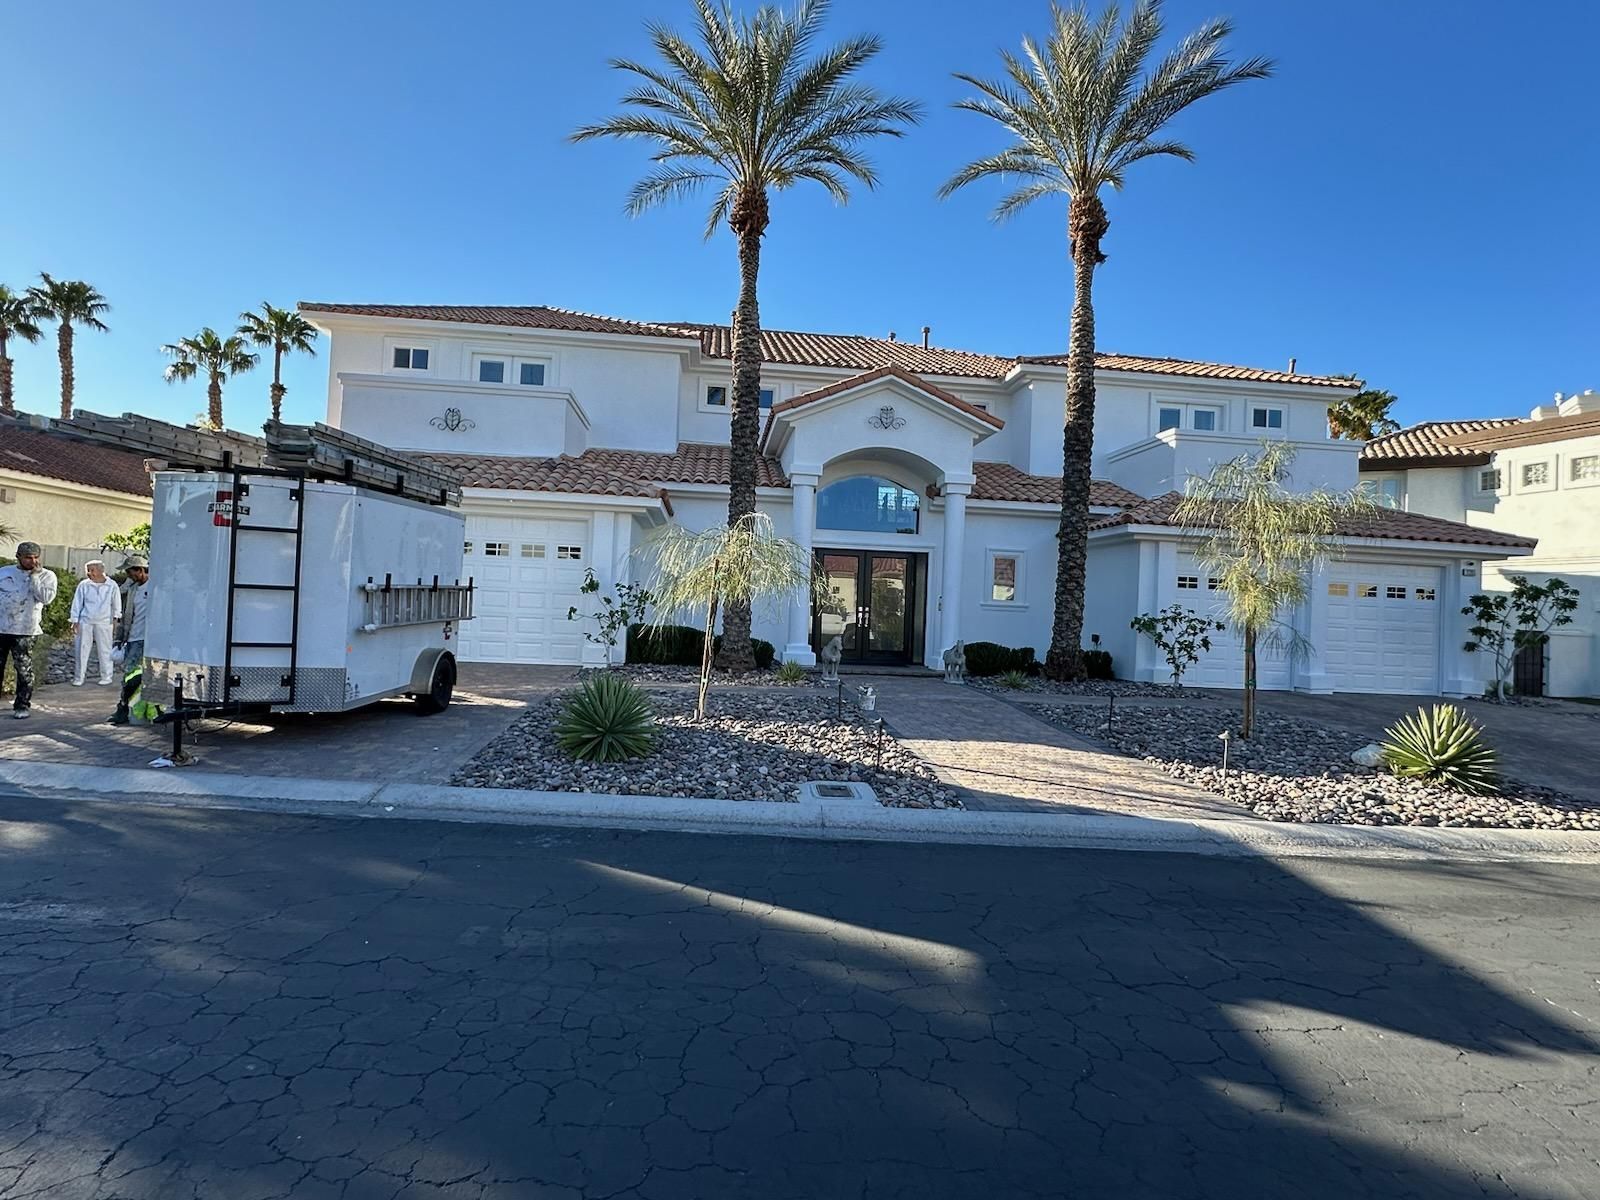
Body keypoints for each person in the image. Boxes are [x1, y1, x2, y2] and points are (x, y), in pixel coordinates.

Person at [0, 540, 60, 720]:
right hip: (2, 627)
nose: (32, 561)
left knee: (23, 668)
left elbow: (46, 598)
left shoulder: (47, 576)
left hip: (26, 629)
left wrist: (34, 577)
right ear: (18, 557)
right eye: (28, 558)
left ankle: (22, 705)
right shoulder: (4, 573)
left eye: (35, 557)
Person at [110, 554, 150, 726]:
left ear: (140, 570)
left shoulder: (155, 587)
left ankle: (127, 709)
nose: (128, 575)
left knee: (134, 676)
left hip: (146, 639)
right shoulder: (133, 589)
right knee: (130, 676)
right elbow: (125, 613)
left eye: (130, 571)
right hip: (133, 637)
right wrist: (119, 638)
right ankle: (126, 708)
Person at [70, 560, 122, 686]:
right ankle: (79, 677)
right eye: (87, 570)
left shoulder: (112, 585)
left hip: (105, 621)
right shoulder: (83, 585)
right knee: (81, 649)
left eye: (92, 570)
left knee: (105, 649)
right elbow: (77, 603)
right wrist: (74, 620)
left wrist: (116, 618)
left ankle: (107, 676)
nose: (89, 573)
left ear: (100, 570)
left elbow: (116, 603)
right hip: (85, 620)